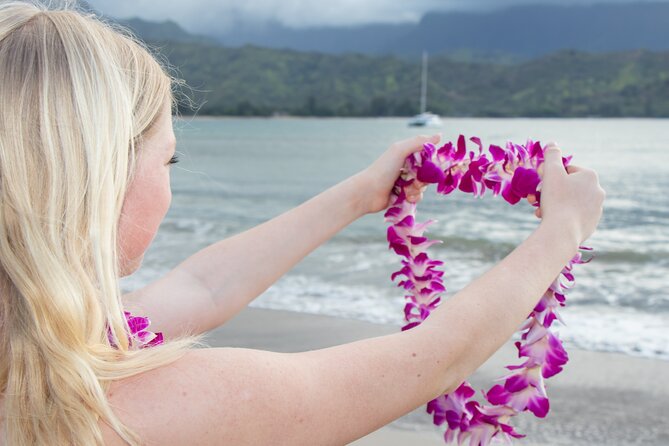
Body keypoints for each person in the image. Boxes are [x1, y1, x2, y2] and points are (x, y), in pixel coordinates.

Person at [0, 1, 605, 445]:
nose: (170, 182)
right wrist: (562, 232)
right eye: (168, 158)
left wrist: (359, 195)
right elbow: (433, 359)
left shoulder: (36, 348)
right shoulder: (144, 407)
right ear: (99, 179)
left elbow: (203, 287)